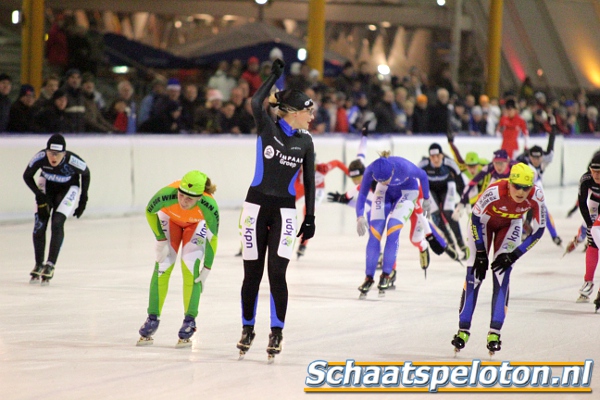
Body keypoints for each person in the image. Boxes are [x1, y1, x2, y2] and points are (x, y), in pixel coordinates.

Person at [237, 59, 316, 361]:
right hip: (255, 207)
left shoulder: (306, 143)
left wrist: (309, 218)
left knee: (277, 275)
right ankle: (247, 328)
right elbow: (257, 101)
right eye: (308, 111)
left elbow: (308, 181)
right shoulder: (267, 126)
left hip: (285, 211)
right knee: (251, 275)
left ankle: (277, 332)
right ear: (294, 113)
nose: (312, 116)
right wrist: (273, 76)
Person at [451, 163, 546, 355]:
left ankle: (494, 331)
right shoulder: (495, 191)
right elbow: (476, 219)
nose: (521, 191)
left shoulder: (537, 195)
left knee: (502, 273)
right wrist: (479, 252)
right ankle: (463, 329)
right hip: (483, 223)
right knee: (475, 274)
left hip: (510, 225)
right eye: (517, 186)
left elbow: (539, 230)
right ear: (509, 182)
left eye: (526, 187)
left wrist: (514, 255)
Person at [137, 171, 219, 347]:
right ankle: (152, 318)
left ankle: (190, 320)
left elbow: (213, 237)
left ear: (200, 197)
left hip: (196, 225)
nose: (183, 201)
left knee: (191, 268)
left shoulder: (209, 205)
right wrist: (160, 238)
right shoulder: (167, 194)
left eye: (190, 199)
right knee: (163, 265)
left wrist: (207, 267)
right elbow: (149, 211)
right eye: (181, 195)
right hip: (170, 220)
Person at [355, 152, 431, 298]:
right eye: (380, 180)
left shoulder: (404, 167)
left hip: (408, 192)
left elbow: (422, 175)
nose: (384, 182)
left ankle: (386, 275)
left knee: (393, 229)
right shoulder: (370, 169)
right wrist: (359, 216)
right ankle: (368, 278)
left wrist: (426, 198)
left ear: (392, 172)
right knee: (375, 233)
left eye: (386, 179)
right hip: (384, 194)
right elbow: (363, 194)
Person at [22, 134, 90, 285]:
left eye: (58, 154)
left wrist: (83, 199)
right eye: (51, 153)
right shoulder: (40, 157)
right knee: (40, 224)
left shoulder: (72, 160)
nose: (53, 157)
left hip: (68, 188)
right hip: (46, 186)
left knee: (57, 223)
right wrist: (38, 194)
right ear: (46, 152)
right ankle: (39, 263)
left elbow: (86, 173)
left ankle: (50, 264)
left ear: (64, 154)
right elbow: (27, 176)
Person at [418, 143, 467, 259]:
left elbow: (460, 183)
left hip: (447, 187)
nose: (435, 159)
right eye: (432, 157)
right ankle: (448, 236)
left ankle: (460, 242)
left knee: (449, 213)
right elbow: (413, 180)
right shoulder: (422, 165)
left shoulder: (450, 164)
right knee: (435, 214)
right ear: (429, 157)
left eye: (438, 156)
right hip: (431, 189)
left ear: (442, 155)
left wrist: (463, 202)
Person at [574, 154, 600, 303]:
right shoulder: (586, 179)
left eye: (599, 172)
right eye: (593, 171)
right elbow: (582, 203)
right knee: (593, 241)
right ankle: (588, 281)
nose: (596, 175)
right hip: (594, 203)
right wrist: (589, 225)